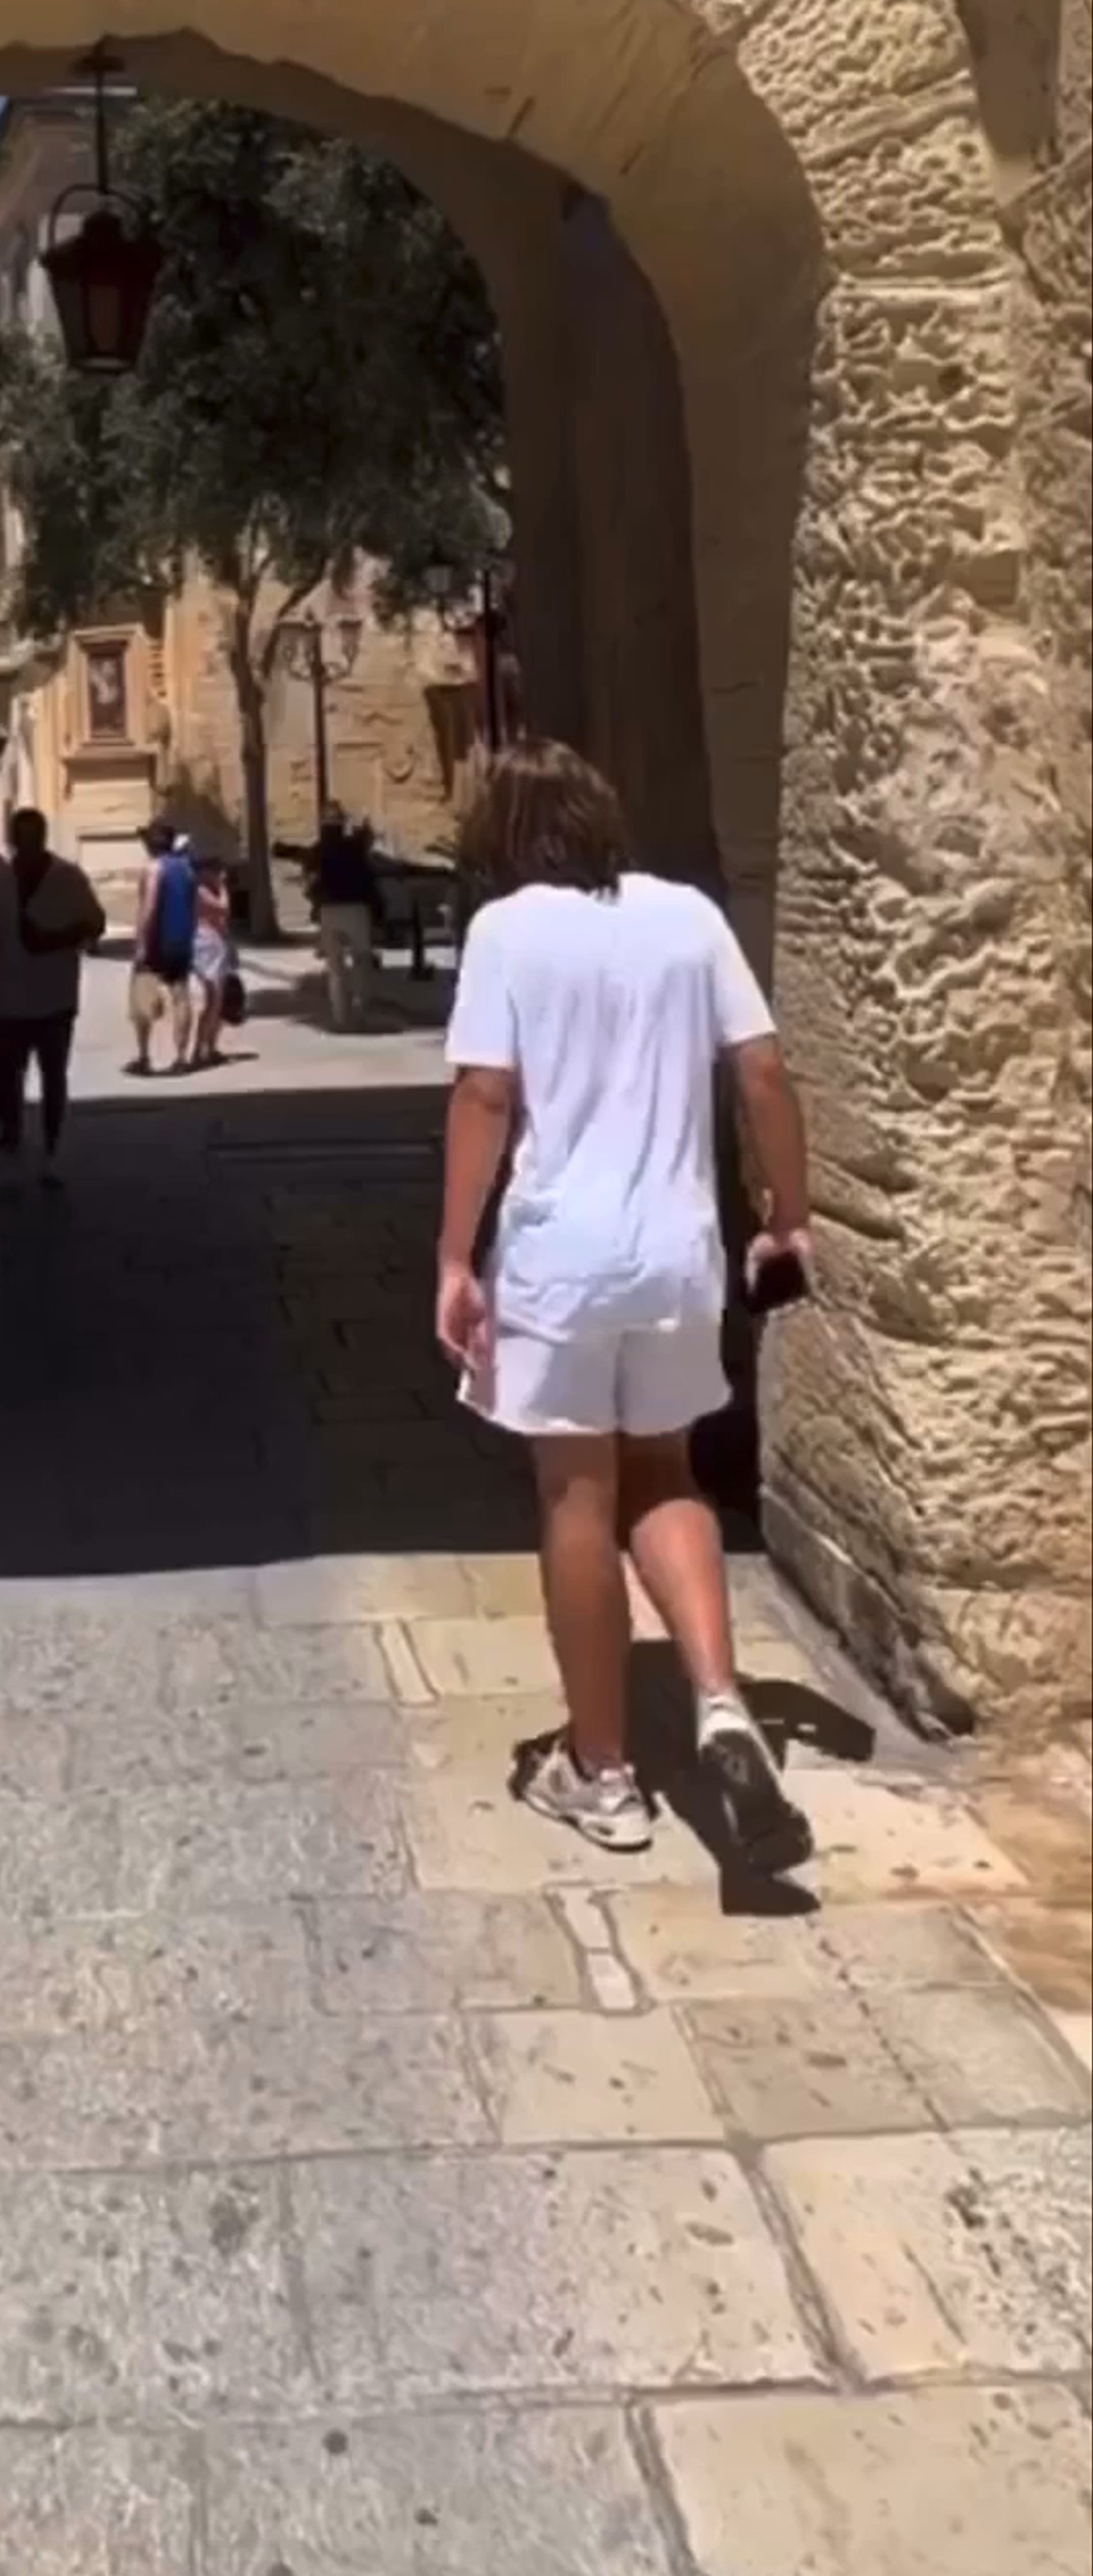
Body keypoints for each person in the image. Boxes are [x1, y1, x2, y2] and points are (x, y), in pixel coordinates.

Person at [435, 738, 814, 1875]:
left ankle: (600, 1769)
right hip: (676, 1250)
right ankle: (719, 1700)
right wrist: (788, 1211)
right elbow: (761, 1071)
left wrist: (456, 1253)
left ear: (504, 836)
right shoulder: (688, 916)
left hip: (562, 1257)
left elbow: (485, 1092)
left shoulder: (507, 929)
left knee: (577, 1493)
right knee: (668, 1470)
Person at [0, 808, 106, 1175]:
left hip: (55, 993)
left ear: (42, 837)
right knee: (11, 1072)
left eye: (32, 836)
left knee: (53, 1073)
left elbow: (96, 922)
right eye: (20, 836)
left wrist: (56, 939)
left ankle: (52, 1139)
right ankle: (13, 1128)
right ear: (13, 839)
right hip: (9, 994)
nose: (26, 843)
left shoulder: (68, 877)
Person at [132, 819, 201, 1071]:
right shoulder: (187, 870)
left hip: (156, 942)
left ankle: (143, 1056)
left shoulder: (153, 869)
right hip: (181, 941)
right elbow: (195, 910)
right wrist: (190, 935)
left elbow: (149, 908)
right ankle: (182, 1057)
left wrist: (141, 941)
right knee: (181, 996)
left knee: (141, 997)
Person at [310, 801, 382, 1030]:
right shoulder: (355, 848)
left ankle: (341, 1017)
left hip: (330, 910)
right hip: (356, 909)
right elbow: (369, 872)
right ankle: (360, 1012)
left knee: (335, 966)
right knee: (361, 961)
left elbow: (312, 878)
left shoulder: (319, 850)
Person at [190, 855, 238, 1067]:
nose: (219, 875)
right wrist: (223, 887)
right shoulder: (199, 891)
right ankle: (198, 1050)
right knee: (212, 1000)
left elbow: (223, 922)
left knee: (220, 1001)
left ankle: (211, 1047)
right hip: (206, 948)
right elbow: (223, 909)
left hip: (219, 946)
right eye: (215, 871)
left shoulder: (211, 890)